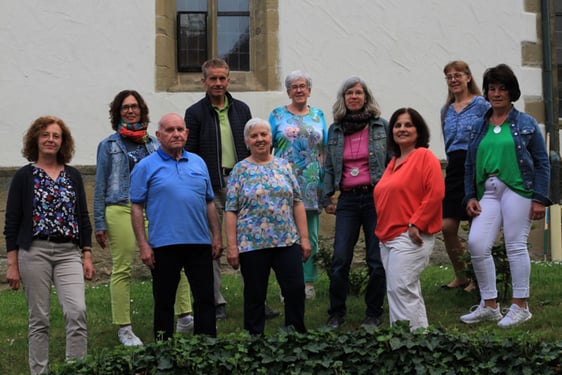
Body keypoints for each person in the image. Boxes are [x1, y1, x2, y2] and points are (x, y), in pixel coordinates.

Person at [94, 90, 194, 347]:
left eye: (134, 106)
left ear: (142, 110)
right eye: (125, 107)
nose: (130, 111)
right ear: (118, 112)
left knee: (172, 261)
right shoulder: (108, 145)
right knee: (123, 267)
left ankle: (184, 316)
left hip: (154, 209)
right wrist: (100, 222)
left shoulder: (153, 143)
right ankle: (124, 328)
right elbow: (100, 185)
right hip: (120, 208)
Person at [184, 58, 279, 320]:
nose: (218, 83)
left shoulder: (241, 109)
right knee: (213, 245)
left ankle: (256, 299)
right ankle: (216, 302)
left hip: (243, 185)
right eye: (212, 79)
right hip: (210, 187)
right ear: (204, 81)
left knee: (249, 244)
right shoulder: (195, 113)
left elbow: (252, 146)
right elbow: (190, 153)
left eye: (222, 78)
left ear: (228, 80)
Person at [460, 64, 551, 327]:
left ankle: (520, 306)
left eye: (502, 89)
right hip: (487, 191)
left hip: (519, 189)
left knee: (515, 245)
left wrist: (540, 198)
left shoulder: (526, 123)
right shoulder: (478, 126)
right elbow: (468, 164)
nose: (497, 93)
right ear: (486, 93)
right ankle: (489, 305)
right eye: (492, 89)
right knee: (477, 244)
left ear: (512, 92)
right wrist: (469, 197)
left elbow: (542, 162)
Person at [4, 116, 94, 375]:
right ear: (36, 139)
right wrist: (12, 264)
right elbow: (12, 223)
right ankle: (39, 372)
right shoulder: (24, 176)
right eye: (45, 135)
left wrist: (87, 255)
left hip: (68, 253)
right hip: (34, 252)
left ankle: (76, 369)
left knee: (77, 312)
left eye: (56, 136)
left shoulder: (73, 176)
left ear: (62, 142)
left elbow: (83, 218)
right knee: (39, 319)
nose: (50, 139)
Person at [130, 113, 221, 340]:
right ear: (158, 135)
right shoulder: (146, 166)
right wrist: (143, 245)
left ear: (187, 134)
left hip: (199, 243)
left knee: (205, 299)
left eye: (180, 129)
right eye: (170, 130)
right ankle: (163, 351)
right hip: (164, 244)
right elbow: (136, 207)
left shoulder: (198, 162)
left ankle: (206, 346)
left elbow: (209, 201)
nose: (176, 134)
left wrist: (216, 236)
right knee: (164, 301)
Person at [225, 118, 311, 335]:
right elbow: (231, 210)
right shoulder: (239, 170)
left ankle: (295, 333)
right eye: (254, 136)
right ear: (246, 141)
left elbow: (298, 202)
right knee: (255, 294)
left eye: (264, 134)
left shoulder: (284, 165)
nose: (260, 139)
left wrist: (304, 238)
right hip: (252, 243)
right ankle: (255, 338)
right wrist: (232, 246)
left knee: (295, 289)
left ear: (271, 138)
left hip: (286, 239)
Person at [323, 76, 389, 330]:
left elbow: (393, 163)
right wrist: (327, 195)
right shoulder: (335, 129)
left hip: (376, 198)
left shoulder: (381, 126)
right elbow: (329, 165)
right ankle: (336, 313)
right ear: (343, 98)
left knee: (376, 259)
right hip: (348, 201)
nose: (354, 96)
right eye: (349, 93)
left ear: (366, 97)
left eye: (358, 93)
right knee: (340, 259)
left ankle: (373, 313)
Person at [374, 108, 445, 330]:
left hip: (409, 236)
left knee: (400, 288)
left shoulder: (424, 156)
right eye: (397, 125)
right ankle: (411, 339)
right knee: (400, 290)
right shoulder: (393, 162)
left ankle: (411, 342)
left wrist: (417, 223)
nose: (402, 129)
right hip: (388, 237)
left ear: (418, 130)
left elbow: (435, 193)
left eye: (408, 125)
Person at [269, 70, 328, 299]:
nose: (299, 90)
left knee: (310, 236)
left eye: (303, 86)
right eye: (294, 86)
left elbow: (324, 148)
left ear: (309, 90)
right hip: (284, 183)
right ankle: (288, 284)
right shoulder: (277, 114)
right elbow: (268, 148)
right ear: (288, 91)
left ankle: (308, 282)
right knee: (286, 236)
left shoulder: (319, 115)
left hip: (312, 183)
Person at [440, 61, 490, 291]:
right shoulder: (447, 110)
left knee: (474, 225)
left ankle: (478, 279)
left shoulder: (481, 105)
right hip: (453, 166)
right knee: (447, 226)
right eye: (449, 76)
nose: (453, 79)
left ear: (468, 77)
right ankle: (461, 275)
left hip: (475, 164)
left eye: (457, 75)